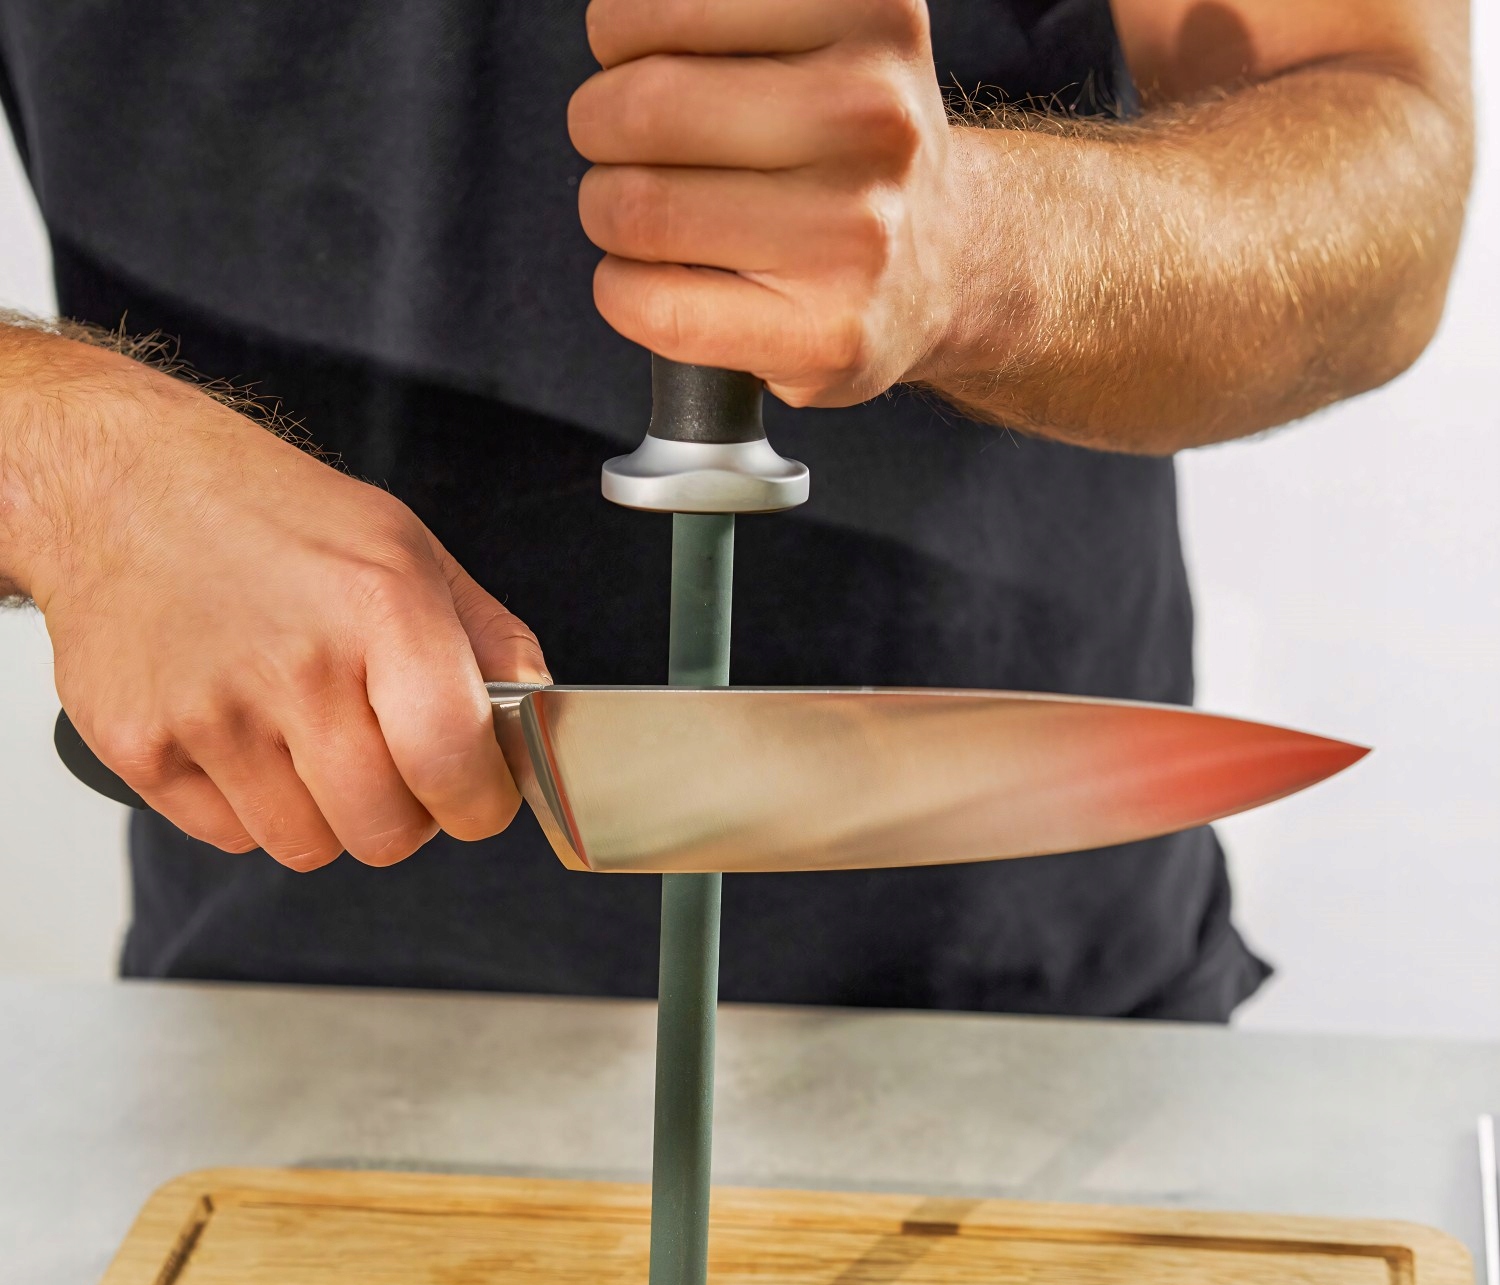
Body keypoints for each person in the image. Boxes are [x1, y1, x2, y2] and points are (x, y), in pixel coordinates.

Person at [0, 2, 1471, 1018]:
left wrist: (982, 247)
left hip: (1037, 1025)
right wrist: (73, 468)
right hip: (277, 1036)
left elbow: (1384, 155)